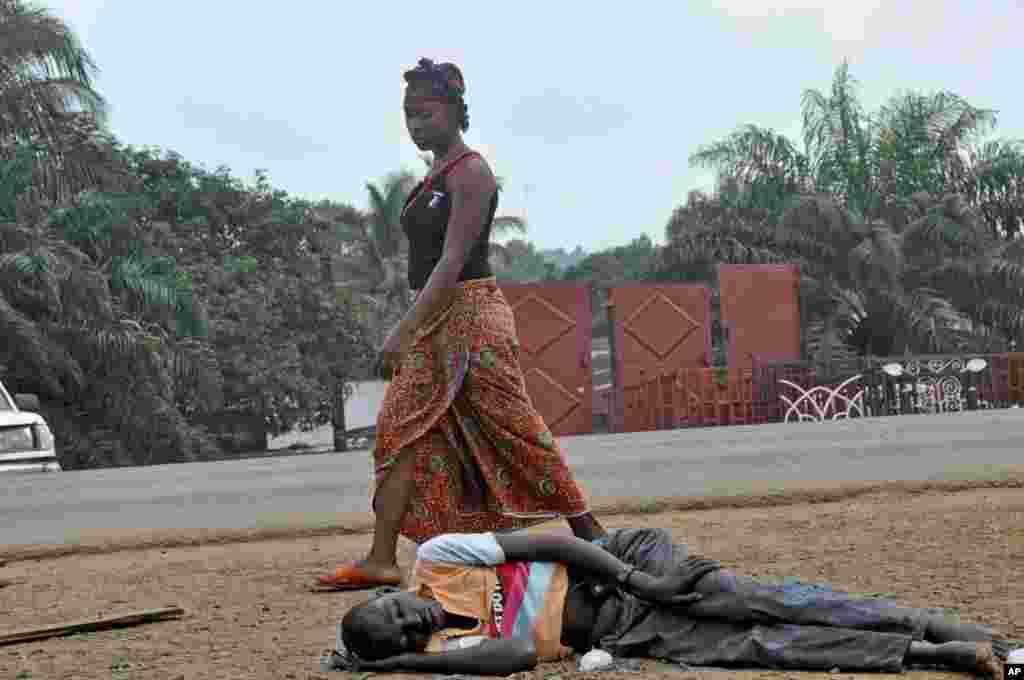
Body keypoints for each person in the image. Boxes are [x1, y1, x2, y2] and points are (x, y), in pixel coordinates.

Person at [316, 58, 605, 591]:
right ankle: (382, 557)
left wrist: (404, 329)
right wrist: (418, 324)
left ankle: (595, 538)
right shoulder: (435, 175)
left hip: (472, 316)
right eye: (408, 114)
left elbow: (452, 261)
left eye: (425, 113)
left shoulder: (472, 173)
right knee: (402, 427)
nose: (415, 123)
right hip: (438, 318)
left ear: (453, 111)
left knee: (513, 427)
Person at [333, 528, 1009, 677]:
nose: (406, 615)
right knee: (760, 646)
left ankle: (938, 625)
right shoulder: (441, 652)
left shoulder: (437, 559)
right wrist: (400, 668)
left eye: (392, 606)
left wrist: (640, 579)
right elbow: (512, 654)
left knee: (759, 603)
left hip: (626, 568)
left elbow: (550, 542)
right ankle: (929, 651)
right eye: (396, 632)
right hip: (623, 627)